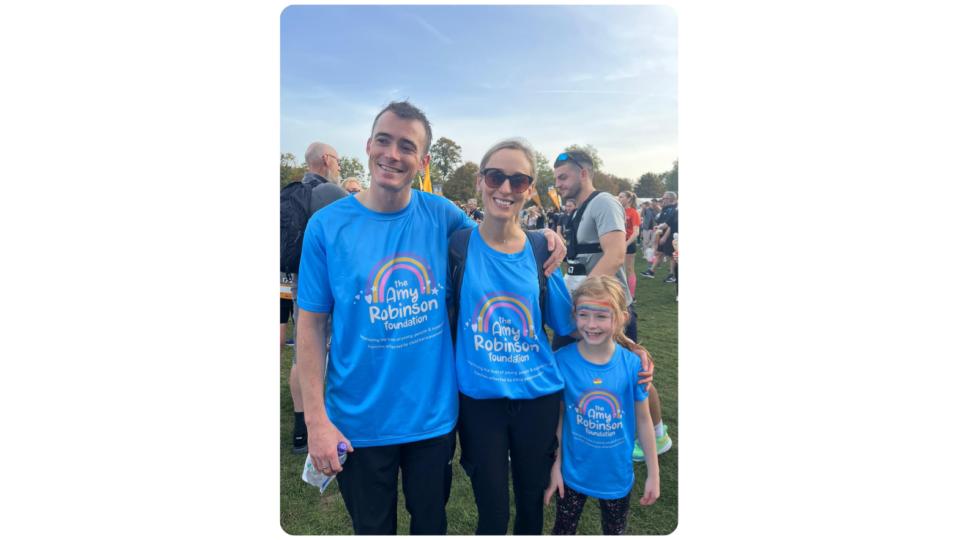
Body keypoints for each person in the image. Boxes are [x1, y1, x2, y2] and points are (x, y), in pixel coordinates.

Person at [295, 101, 566, 535]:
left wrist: (544, 238)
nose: (392, 154)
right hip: (357, 419)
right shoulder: (326, 226)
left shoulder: (441, 215)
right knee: (373, 528)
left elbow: (497, 232)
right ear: (367, 146)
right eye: (384, 140)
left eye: (407, 146)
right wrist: (316, 421)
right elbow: (309, 326)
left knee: (430, 526)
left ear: (422, 161)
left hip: (433, 419)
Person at [448, 138, 579, 535]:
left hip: (537, 400)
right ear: (479, 181)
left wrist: (627, 351)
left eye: (518, 181)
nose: (505, 189)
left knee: (530, 510)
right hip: (479, 403)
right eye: (495, 176)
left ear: (529, 189)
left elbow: (570, 329)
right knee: (492, 512)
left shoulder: (542, 250)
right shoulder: (457, 246)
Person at [552, 151, 672, 460]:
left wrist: (583, 302)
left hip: (609, 309)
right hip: (591, 308)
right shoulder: (579, 209)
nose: (558, 184)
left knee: (635, 371)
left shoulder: (603, 202)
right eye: (556, 179)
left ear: (583, 173)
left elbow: (616, 255)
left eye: (563, 176)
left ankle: (657, 437)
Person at [544, 276, 660, 535]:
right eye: (583, 315)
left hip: (617, 476)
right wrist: (555, 466)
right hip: (573, 475)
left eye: (601, 316)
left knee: (614, 531)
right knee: (563, 529)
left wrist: (654, 473)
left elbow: (643, 421)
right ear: (574, 315)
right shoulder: (561, 362)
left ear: (620, 318)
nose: (591, 325)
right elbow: (559, 420)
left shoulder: (633, 366)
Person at [283, 141, 346, 454]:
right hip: (325, 284)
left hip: (296, 280)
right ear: (326, 159)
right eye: (337, 160)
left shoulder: (294, 192)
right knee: (327, 345)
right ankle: (325, 418)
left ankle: (300, 429)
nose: (339, 166)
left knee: (301, 352)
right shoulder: (330, 194)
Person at [640, 191, 678, 284]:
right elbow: (660, 222)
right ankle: (651, 271)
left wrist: (664, 236)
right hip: (663, 234)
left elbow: (670, 225)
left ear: (671, 199)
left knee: (672, 255)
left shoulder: (674, 209)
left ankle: (672, 275)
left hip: (671, 235)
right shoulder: (665, 208)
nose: (662, 199)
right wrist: (658, 231)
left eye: (664, 198)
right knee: (659, 253)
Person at [618, 191, 641, 296]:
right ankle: (622, 293)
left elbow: (636, 232)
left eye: (621, 197)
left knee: (629, 269)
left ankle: (631, 296)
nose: (619, 199)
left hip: (628, 244)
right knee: (618, 269)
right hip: (618, 243)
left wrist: (625, 244)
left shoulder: (633, 212)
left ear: (628, 199)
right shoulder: (619, 211)